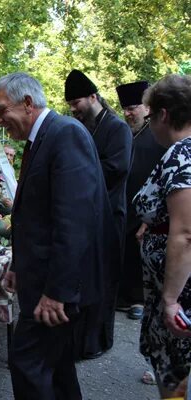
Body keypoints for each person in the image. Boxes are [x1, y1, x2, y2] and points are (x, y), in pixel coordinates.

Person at [0, 72, 113, 400]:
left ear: (28, 103)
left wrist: (57, 292)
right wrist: (18, 264)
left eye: (2, 111)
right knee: (56, 365)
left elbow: (74, 222)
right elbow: (37, 215)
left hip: (56, 291)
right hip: (43, 281)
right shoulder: (43, 137)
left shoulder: (64, 134)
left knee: (27, 363)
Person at [65, 69, 133, 359]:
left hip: (109, 217)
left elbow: (116, 170)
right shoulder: (86, 125)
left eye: (77, 102)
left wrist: (75, 176)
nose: (74, 110)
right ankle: (79, 339)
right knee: (85, 278)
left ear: (94, 97)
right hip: (84, 217)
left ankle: (98, 342)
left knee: (104, 280)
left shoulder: (117, 129)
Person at [132, 74, 191, 397]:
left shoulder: (182, 155)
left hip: (181, 296)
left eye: (150, 116)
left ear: (164, 115)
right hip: (173, 289)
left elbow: (184, 233)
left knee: (178, 380)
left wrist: (170, 300)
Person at [116, 81, 166, 320]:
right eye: (125, 109)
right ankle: (124, 297)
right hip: (125, 205)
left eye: (133, 107)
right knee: (123, 253)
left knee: (139, 255)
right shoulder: (125, 133)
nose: (128, 113)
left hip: (148, 210)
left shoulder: (157, 137)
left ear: (147, 109)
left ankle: (139, 299)